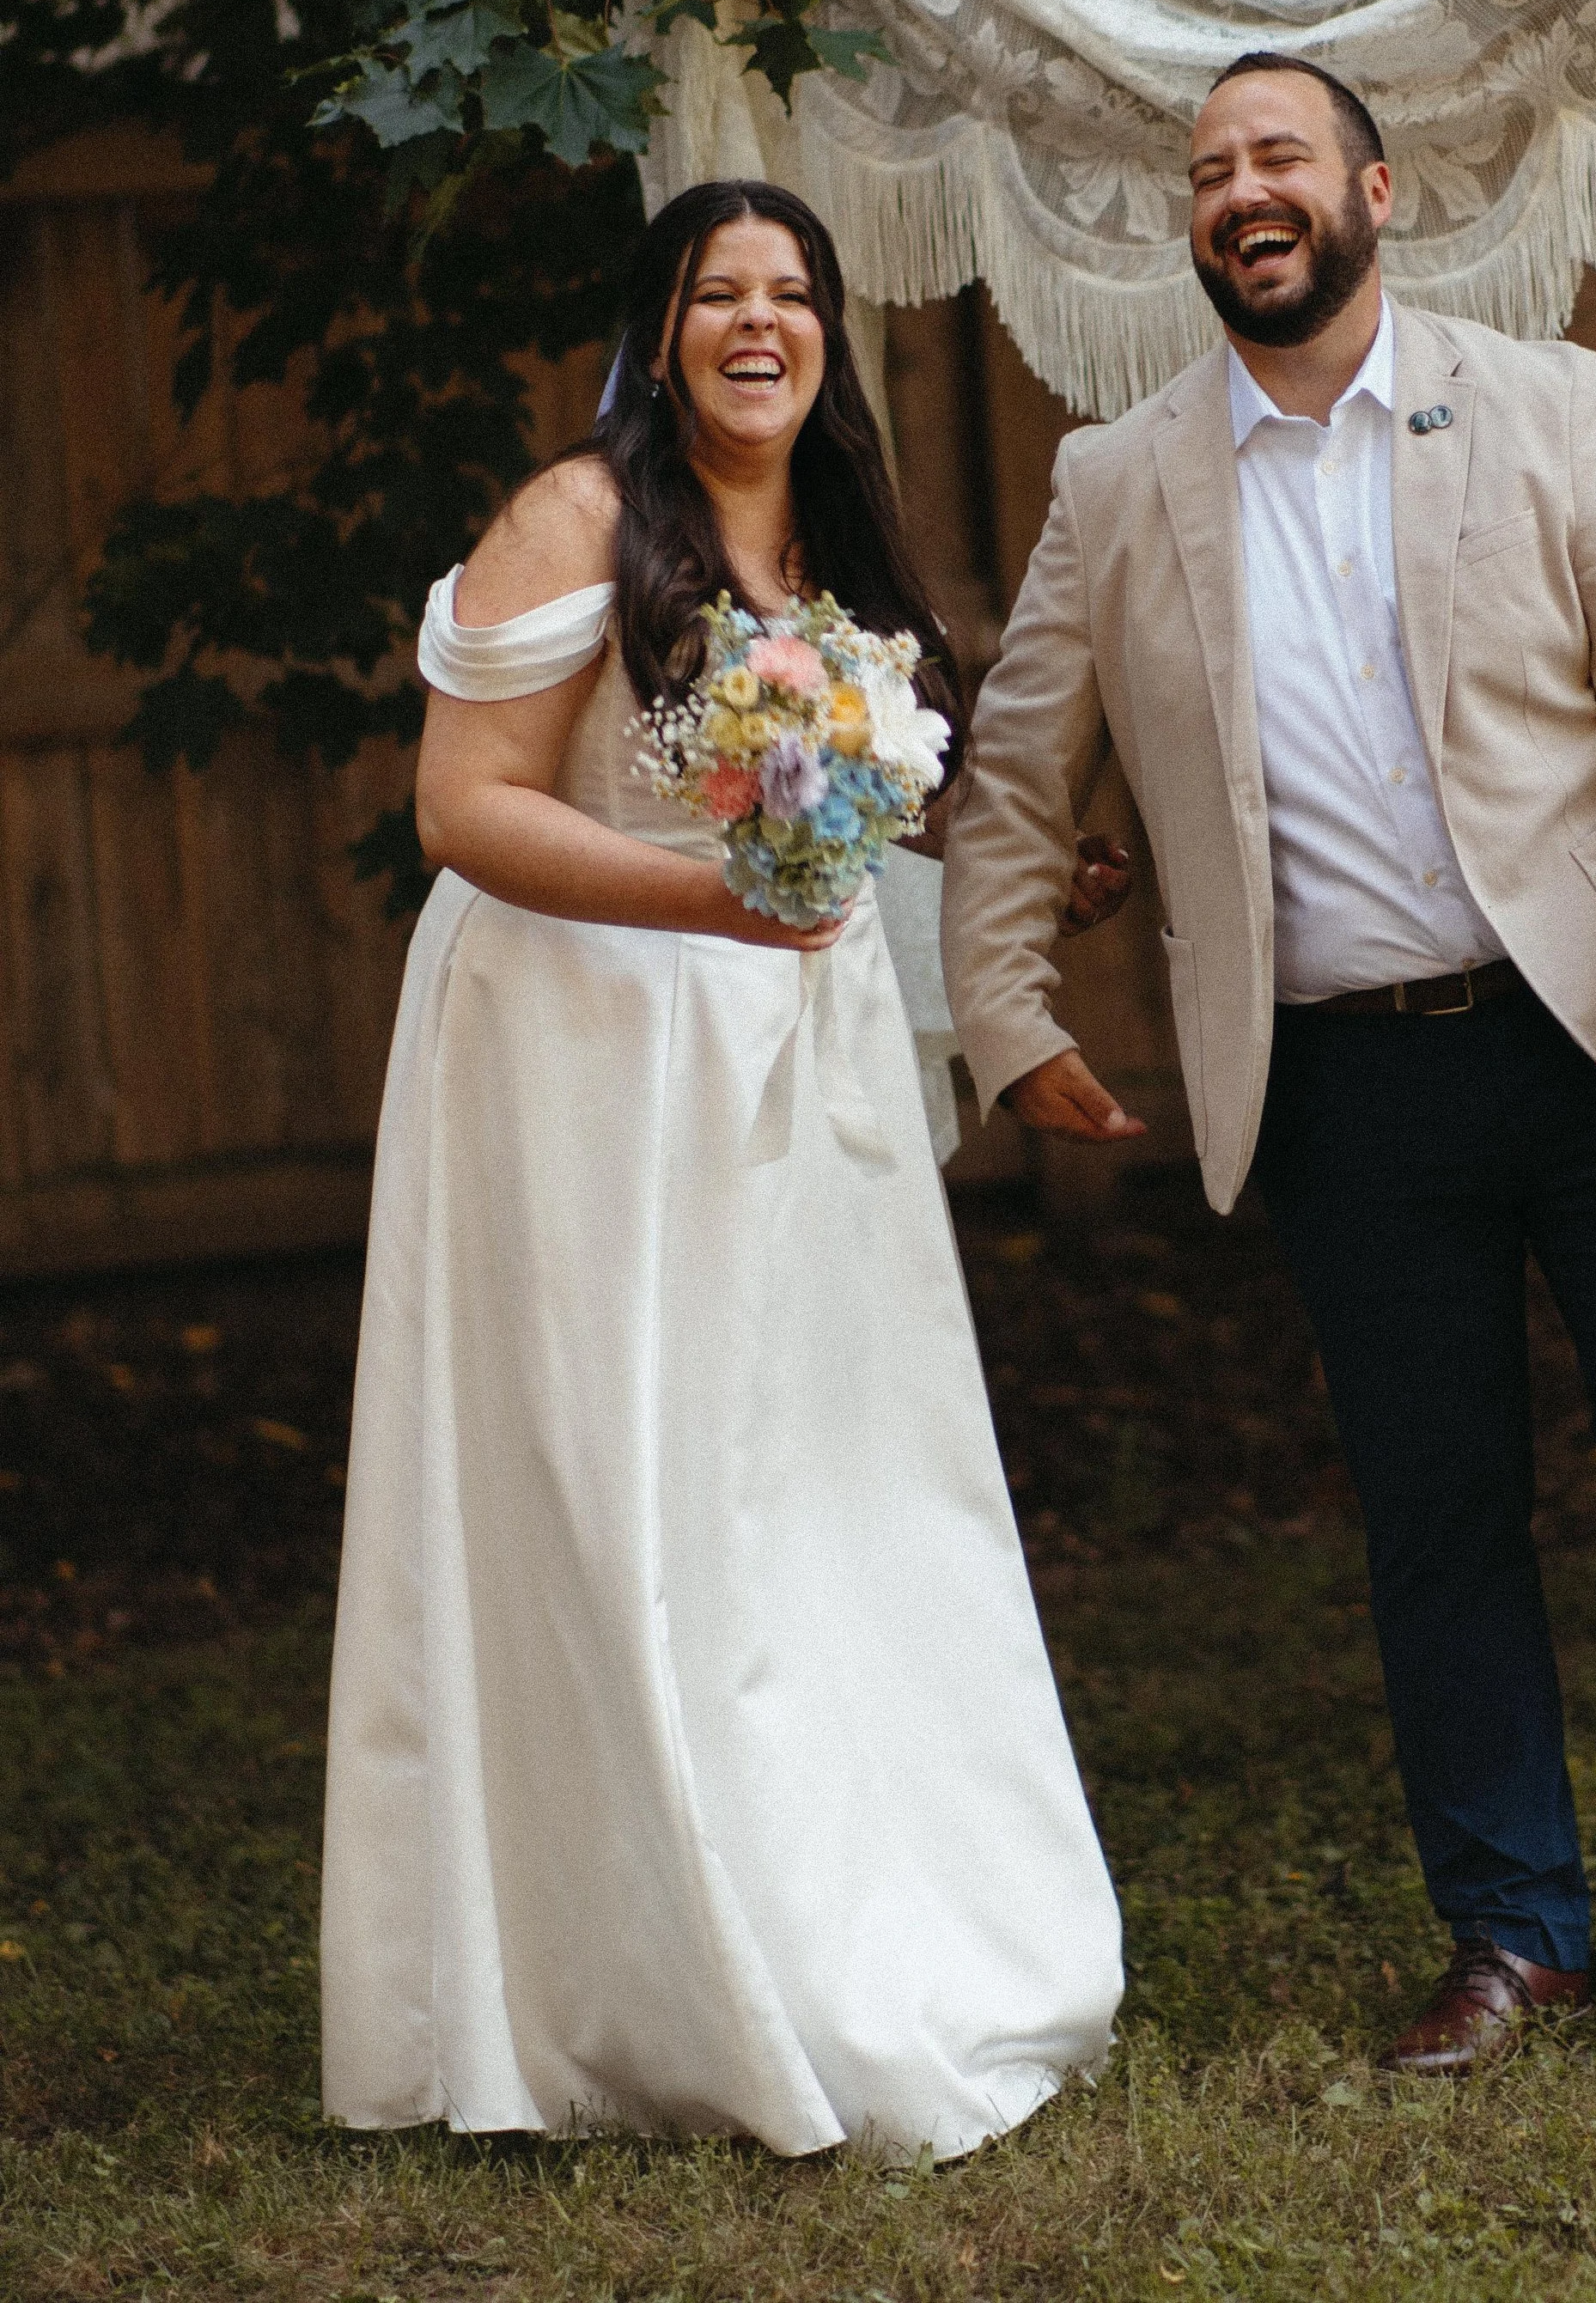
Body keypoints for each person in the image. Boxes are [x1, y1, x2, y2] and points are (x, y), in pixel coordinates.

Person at [941, 54, 1596, 2080]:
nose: (1241, 191)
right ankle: (1511, 1930)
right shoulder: (1116, 484)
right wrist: (1012, 1011)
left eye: (1278, 155)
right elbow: (1019, 769)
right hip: (1339, 1089)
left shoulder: (1543, 404)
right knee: (1436, 1506)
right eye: (1210, 173)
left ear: (1373, 191)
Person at [321, 181, 1123, 2154]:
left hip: (792, 1068)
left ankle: (858, 1913)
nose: (757, 324)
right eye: (715, 296)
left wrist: (993, 883)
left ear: (828, 334)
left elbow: (842, 828)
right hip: (588, 1072)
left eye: (790, 294)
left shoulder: (832, 543)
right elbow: (460, 805)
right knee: (633, 1493)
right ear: (655, 331)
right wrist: (707, 900)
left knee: (825, 1484)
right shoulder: (577, 520)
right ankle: (645, 1982)